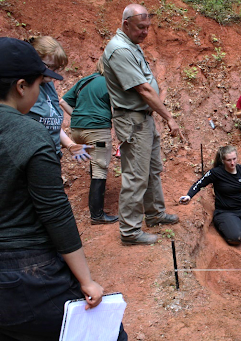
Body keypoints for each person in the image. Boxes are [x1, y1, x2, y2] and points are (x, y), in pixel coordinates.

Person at [0, 37, 127, 341]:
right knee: (110, 334)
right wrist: (86, 280)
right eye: (38, 83)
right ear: (21, 87)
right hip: (25, 270)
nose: (41, 90)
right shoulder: (30, 134)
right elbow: (55, 213)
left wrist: (69, 143)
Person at [103, 3, 183, 245]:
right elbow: (143, 89)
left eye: (148, 27)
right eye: (141, 28)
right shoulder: (119, 50)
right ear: (126, 24)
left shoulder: (131, 45)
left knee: (152, 170)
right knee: (136, 176)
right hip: (132, 120)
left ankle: (155, 214)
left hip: (144, 119)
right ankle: (129, 231)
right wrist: (169, 117)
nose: (145, 32)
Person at [179, 145, 241, 245]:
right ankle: (224, 224)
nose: (232, 163)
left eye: (234, 159)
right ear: (223, 161)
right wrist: (189, 196)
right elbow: (199, 183)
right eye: (229, 160)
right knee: (236, 238)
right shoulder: (216, 173)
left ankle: (240, 224)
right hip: (225, 211)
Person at [60, 56, 119, 225]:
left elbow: (62, 101)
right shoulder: (110, 83)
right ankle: (97, 216)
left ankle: (97, 212)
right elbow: (116, 109)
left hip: (76, 131)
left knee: (95, 164)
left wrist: (79, 117)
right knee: (100, 167)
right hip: (97, 130)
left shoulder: (85, 81)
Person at [26, 36, 92, 162]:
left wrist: (70, 144)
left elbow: (51, 121)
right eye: (51, 67)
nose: (54, 73)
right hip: (34, 157)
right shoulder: (25, 88)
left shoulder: (48, 85)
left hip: (52, 156)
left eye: (57, 68)